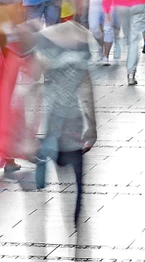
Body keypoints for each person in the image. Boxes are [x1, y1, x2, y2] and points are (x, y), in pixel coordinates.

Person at [31, 19, 97, 226]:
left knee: (59, 163)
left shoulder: (46, 43)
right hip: (74, 118)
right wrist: (92, 127)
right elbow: (86, 92)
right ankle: (76, 210)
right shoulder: (81, 42)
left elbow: (35, 78)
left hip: (54, 117)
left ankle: (44, 161)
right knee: (75, 167)